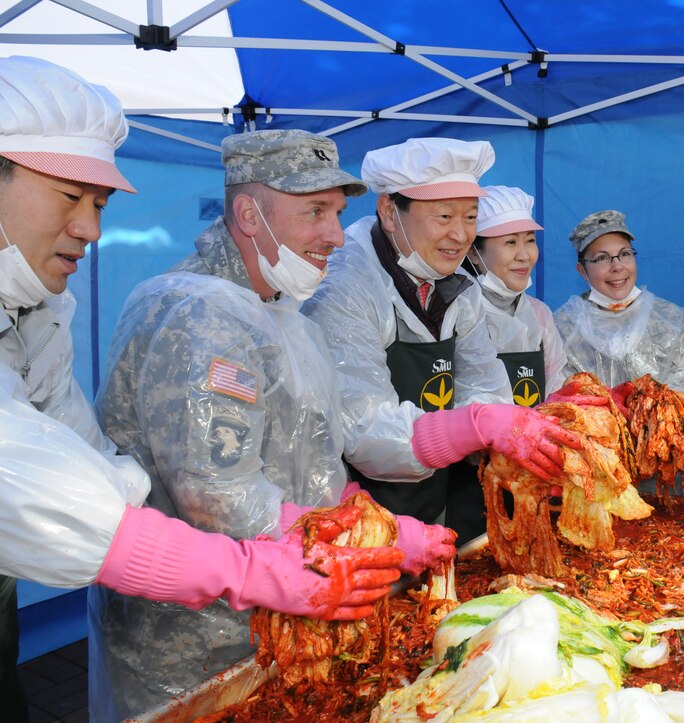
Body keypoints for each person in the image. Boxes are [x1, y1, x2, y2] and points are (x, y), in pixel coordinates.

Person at [0, 56, 405, 723]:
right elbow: (33, 485)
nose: (92, 229)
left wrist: (352, 521)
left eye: (98, 204)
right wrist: (245, 565)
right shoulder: (194, 308)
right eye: (70, 197)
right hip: (184, 646)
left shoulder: (38, 313)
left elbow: (97, 464)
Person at [89, 128, 456, 719]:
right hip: (196, 648)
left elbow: (315, 465)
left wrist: (370, 519)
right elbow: (217, 497)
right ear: (248, 213)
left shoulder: (287, 318)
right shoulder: (198, 313)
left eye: (338, 212)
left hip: (294, 621)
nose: (335, 235)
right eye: (314, 211)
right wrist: (365, 538)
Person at [303, 138, 580, 543]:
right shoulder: (346, 286)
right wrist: (473, 425)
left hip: (432, 499)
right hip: (355, 514)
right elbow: (364, 431)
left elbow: (484, 384)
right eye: (444, 215)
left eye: (470, 217)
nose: (460, 234)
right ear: (389, 212)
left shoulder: (458, 287)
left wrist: (510, 440)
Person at [553, 210, 684, 426]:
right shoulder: (565, 326)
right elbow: (562, 398)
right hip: (594, 450)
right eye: (601, 258)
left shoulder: (670, 319)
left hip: (659, 447)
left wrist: (671, 419)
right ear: (582, 270)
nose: (617, 266)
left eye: (624, 254)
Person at [463, 185, 567, 404]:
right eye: (510, 242)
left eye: (530, 240)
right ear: (473, 251)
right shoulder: (457, 312)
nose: (524, 255)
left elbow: (557, 395)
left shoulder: (539, 314)